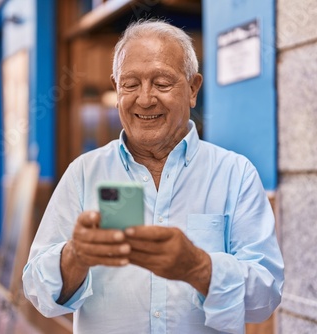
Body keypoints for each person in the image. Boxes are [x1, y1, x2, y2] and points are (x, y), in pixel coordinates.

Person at [23, 20, 284, 334]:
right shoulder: (84, 172)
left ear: (193, 89)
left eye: (162, 82)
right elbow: (37, 290)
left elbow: (265, 297)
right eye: (130, 84)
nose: (145, 99)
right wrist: (75, 256)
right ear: (116, 88)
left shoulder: (235, 173)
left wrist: (199, 267)